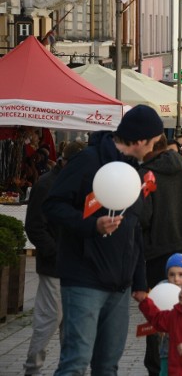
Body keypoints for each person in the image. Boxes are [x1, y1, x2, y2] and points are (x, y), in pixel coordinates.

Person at [42, 104, 163, 375]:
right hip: (84, 277)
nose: (155, 147)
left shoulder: (136, 173)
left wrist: (140, 283)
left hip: (119, 285)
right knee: (75, 361)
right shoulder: (88, 161)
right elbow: (52, 205)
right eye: (154, 141)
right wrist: (91, 225)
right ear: (141, 140)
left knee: (108, 365)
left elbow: (134, 229)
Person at [139, 135, 182, 376]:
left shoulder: (146, 173)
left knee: (159, 311)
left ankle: (157, 367)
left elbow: (144, 216)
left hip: (158, 252)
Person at [23, 141, 85, 376]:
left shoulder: (76, 183)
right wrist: (57, 253)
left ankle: (70, 370)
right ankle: (33, 369)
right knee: (49, 320)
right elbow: (35, 227)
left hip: (75, 268)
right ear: (66, 161)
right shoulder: (47, 184)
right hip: (55, 267)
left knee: (70, 326)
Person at [156, 253, 182, 376]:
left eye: (181, 274)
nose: (176, 279)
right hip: (167, 349)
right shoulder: (162, 290)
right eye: (172, 274)